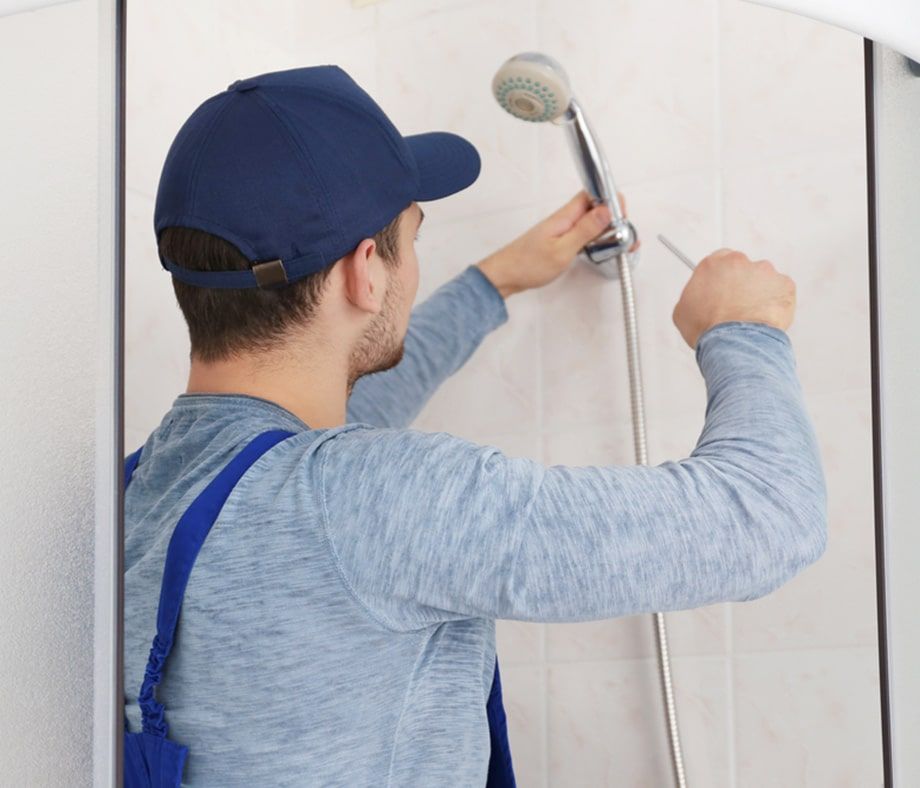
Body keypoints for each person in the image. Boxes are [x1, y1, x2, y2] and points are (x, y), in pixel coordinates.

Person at [124, 64, 827, 787]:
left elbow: (332, 428)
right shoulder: (380, 502)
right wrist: (743, 330)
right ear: (367, 271)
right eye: (413, 236)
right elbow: (770, 517)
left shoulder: (141, 493)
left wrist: (495, 282)